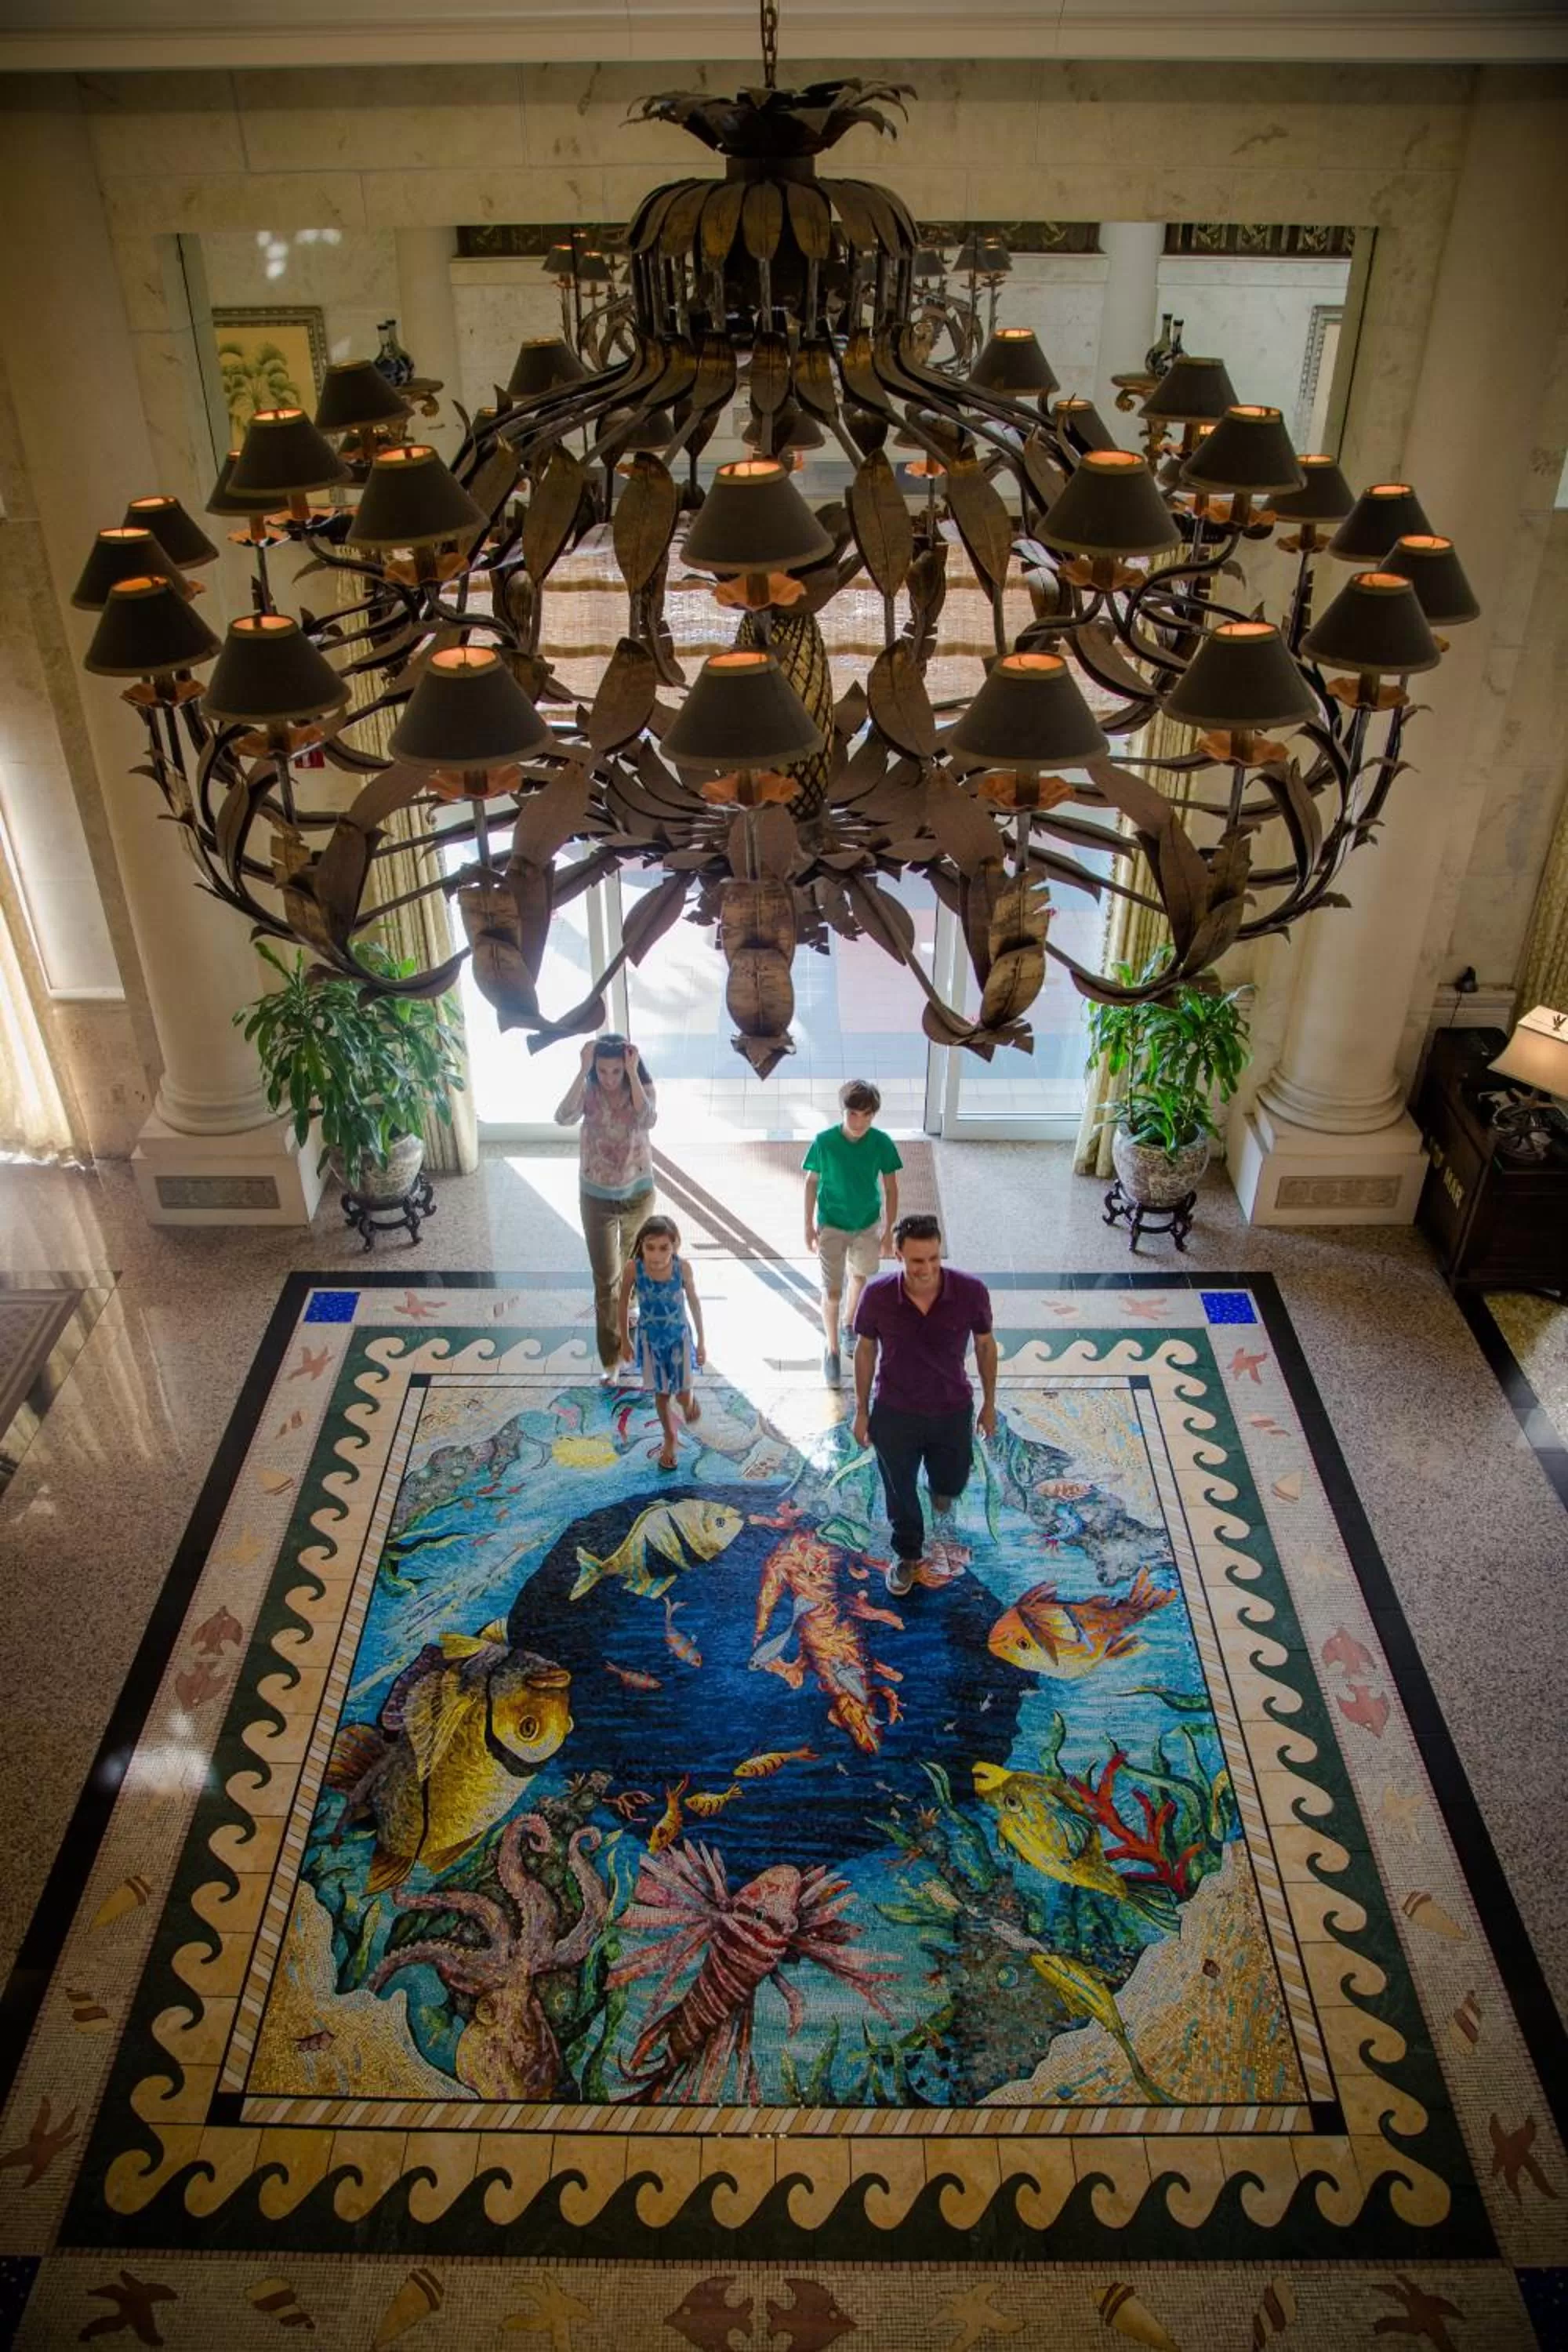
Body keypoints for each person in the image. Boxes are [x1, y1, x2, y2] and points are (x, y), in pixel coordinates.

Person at [851, 1213, 997, 1598]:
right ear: (897, 1255)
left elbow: (984, 1344)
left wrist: (990, 1403)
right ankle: (908, 1555)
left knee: (951, 1481)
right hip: (895, 1410)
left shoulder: (971, 1291)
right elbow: (865, 1349)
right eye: (917, 1261)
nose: (927, 1269)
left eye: (934, 1258)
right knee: (898, 1489)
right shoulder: (878, 1295)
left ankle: (941, 1488)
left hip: (952, 1407)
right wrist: (862, 1411)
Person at [554, 1033, 656, 1385]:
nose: (610, 1079)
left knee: (634, 1269)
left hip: (637, 1195)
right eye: (604, 1071)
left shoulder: (638, 1087)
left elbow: (647, 1120)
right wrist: (583, 1070)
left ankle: (630, 1313)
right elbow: (563, 1117)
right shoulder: (590, 1089)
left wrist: (633, 1074)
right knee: (605, 1280)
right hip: (595, 1198)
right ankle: (611, 1358)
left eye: (616, 1071)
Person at [802, 1079, 902, 1388]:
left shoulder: (882, 1143)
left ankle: (849, 1325)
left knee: (859, 1277)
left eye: (867, 1115)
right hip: (832, 1224)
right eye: (853, 1114)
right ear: (843, 1111)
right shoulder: (824, 1141)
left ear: (874, 1115)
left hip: (868, 1224)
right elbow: (811, 1182)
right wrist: (807, 1224)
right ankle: (831, 1349)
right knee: (832, 1291)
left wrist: (888, 1231)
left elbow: (891, 1187)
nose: (859, 1121)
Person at [619, 1214, 706, 1472]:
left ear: (675, 1245)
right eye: (650, 1247)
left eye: (664, 1248)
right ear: (642, 1246)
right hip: (650, 1343)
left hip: (678, 1340)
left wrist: (702, 1342)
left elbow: (695, 1303)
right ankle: (669, 1437)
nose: (656, 1255)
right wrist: (625, 1339)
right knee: (661, 1393)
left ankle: (689, 1401)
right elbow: (623, 1303)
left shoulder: (682, 1268)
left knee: (681, 1393)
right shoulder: (634, 1268)